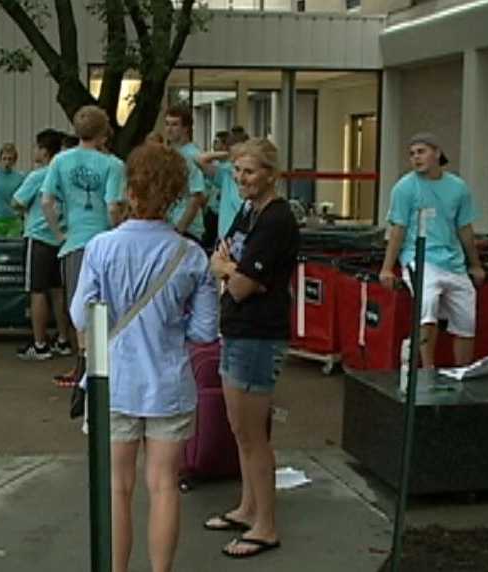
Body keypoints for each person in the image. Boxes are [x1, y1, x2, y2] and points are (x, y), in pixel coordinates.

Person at [72, 143, 218, 572]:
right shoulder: (191, 255)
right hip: (169, 382)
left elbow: (82, 314)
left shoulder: (100, 247)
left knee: (117, 488)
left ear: (130, 192)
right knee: (164, 486)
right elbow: (206, 331)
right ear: (174, 198)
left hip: (112, 382)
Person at [207, 138, 299, 559]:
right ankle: (247, 507)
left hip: (259, 334)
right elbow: (222, 256)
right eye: (237, 172)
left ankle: (267, 525)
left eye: (250, 172)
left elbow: (242, 284)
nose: (242, 179)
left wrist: (228, 271)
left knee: (253, 433)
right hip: (237, 328)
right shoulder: (248, 211)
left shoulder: (277, 219)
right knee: (239, 430)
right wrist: (230, 269)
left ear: (270, 174)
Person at [379, 133, 485, 367]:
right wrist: (387, 268)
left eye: (421, 151)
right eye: (412, 153)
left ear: (437, 153)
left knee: (467, 320)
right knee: (427, 307)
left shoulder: (458, 188)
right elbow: (398, 229)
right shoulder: (404, 188)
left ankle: (462, 373)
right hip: (420, 258)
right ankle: (427, 370)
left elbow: (465, 229)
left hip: (454, 262)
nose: (416, 157)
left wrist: (475, 264)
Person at [41, 105, 125, 388]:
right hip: (105, 240)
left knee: (79, 304)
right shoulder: (113, 165)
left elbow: (46, 202)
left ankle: (84, 363)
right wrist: (117, 231)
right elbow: (113, 206)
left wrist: (59, 232)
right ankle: (107, 363)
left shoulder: (60, 161)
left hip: (75, 242)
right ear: (103, 134)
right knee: (109, 302)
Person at [13, 129, 73, 360]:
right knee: (58, 291)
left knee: (37, 291)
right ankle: (63, 339)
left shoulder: (39, 176)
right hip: (61, 238)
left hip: (39, 237)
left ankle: (39, 344)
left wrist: (29, 209)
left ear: (45, 151)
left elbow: (16, 202)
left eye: (37, 147)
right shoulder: (65, 175)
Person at [163, 105, 208, 248]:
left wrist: (180, 229)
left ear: (185, 128)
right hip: (170, 224)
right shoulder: (171, 153)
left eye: (175, 124)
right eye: (167, 124)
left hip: (187, 229)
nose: (169, 129)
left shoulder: (192, 155)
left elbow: (197, 196)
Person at [197, 129, 249, 248]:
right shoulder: (226, 173)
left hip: (242, 240)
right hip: (224, 238)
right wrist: (227, 154)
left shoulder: (251, 180)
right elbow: (200, 160)